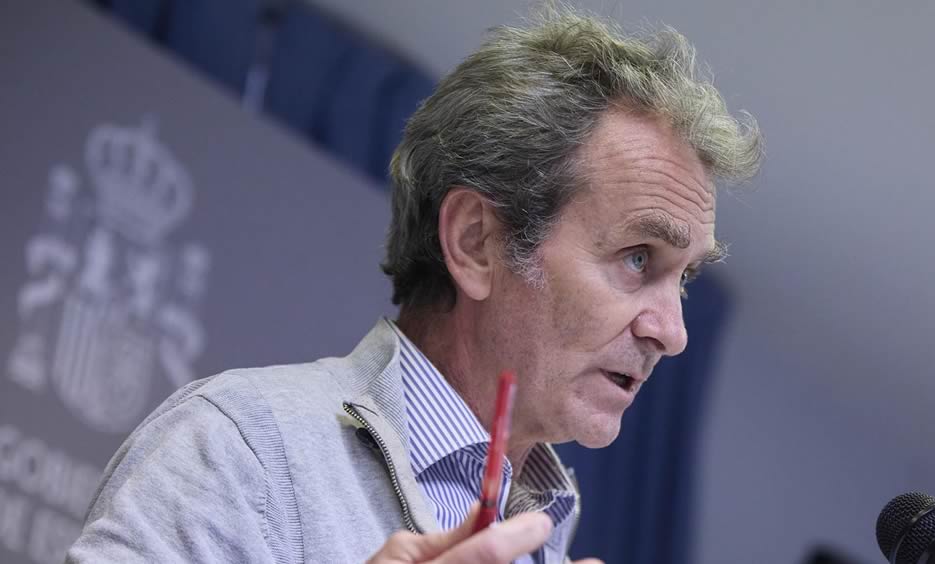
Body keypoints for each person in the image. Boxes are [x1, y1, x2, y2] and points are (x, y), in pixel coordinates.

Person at [67, 5, 761, 563]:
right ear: (476, 243)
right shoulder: (240, 450)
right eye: (638, 258)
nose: (672, 333)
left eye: (684, 280)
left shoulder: (548, 529)